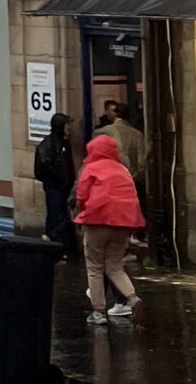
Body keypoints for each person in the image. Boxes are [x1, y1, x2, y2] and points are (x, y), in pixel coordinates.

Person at [73, 129, 145, 324]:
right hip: (123, 223)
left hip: (97, 221)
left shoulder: (92, 168)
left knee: (95, 267)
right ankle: (132, 298)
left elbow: (81, 195)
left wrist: (83, 211)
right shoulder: (122, 170)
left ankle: (98, 312)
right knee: (114, 266)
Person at [32, 111, 77, 255]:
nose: (69, 128)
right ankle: (54, 244)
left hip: (64, 187)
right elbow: (42, 169)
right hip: (55, 187)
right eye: (67, 125)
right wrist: (57, 178)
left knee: (64, 217)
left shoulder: (64, 144)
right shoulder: (48, 145)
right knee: (56, 216)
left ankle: (66, 247)